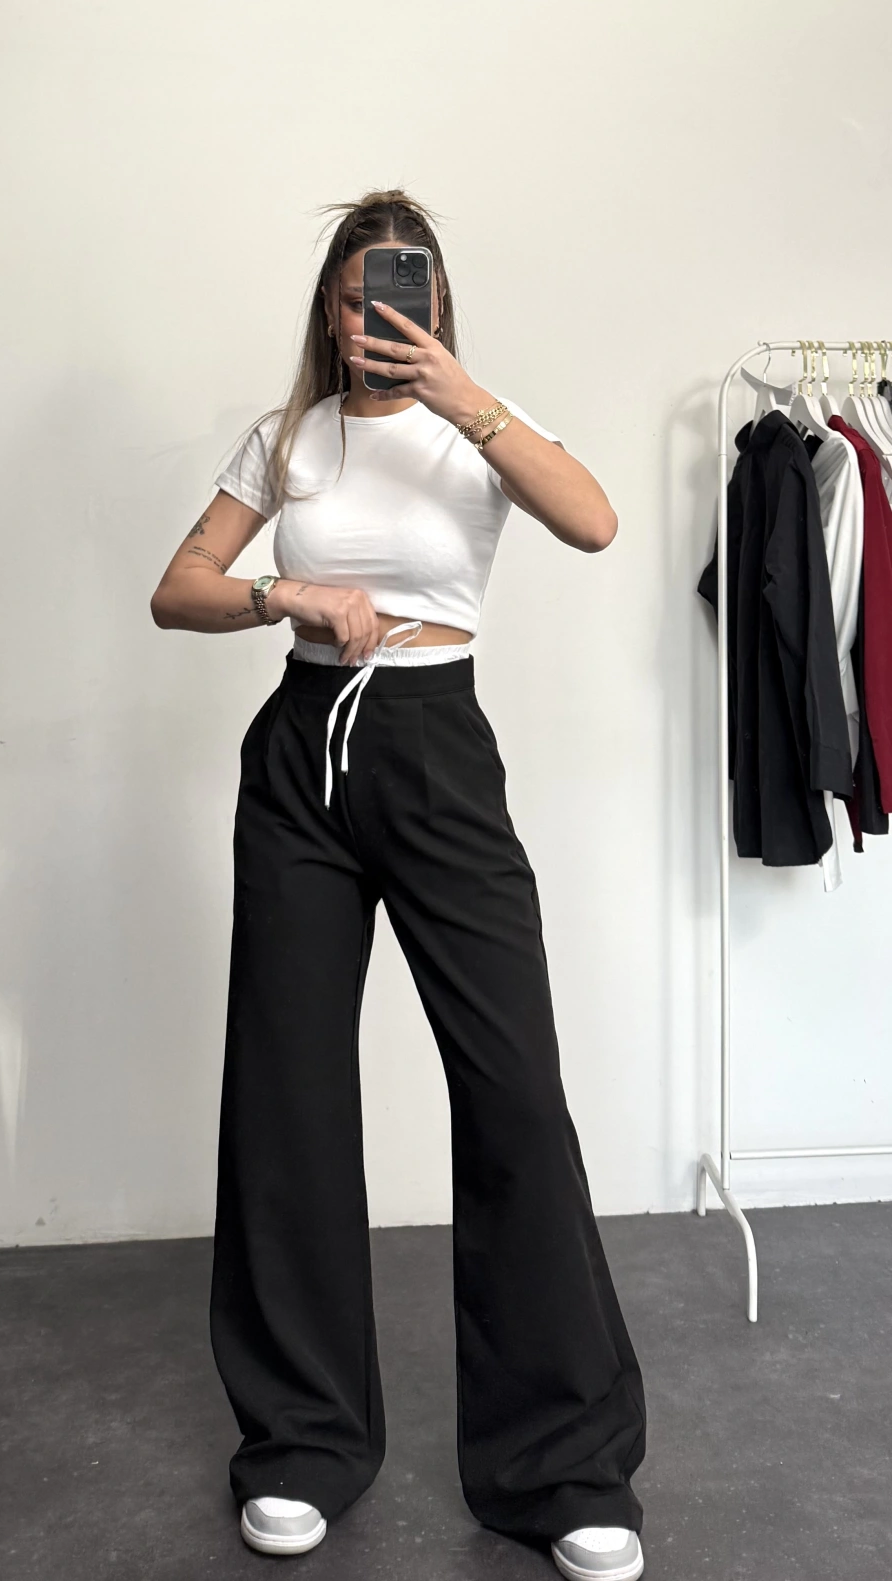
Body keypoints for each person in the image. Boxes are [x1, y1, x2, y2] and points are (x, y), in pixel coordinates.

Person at [150, 189, 648, 1581]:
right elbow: (179, 587)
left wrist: (462, 395)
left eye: (408, 287)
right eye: (364, 288)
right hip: (301, 753)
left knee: (513, 1090)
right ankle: (301, 1443)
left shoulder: (477, 423)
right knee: (289, 1094)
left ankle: (562, 1468)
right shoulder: (289, 438)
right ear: (331, 303)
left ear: (435, 301)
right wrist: (286, 597)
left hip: (436, 746)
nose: (383, 311)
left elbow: (596, 521)